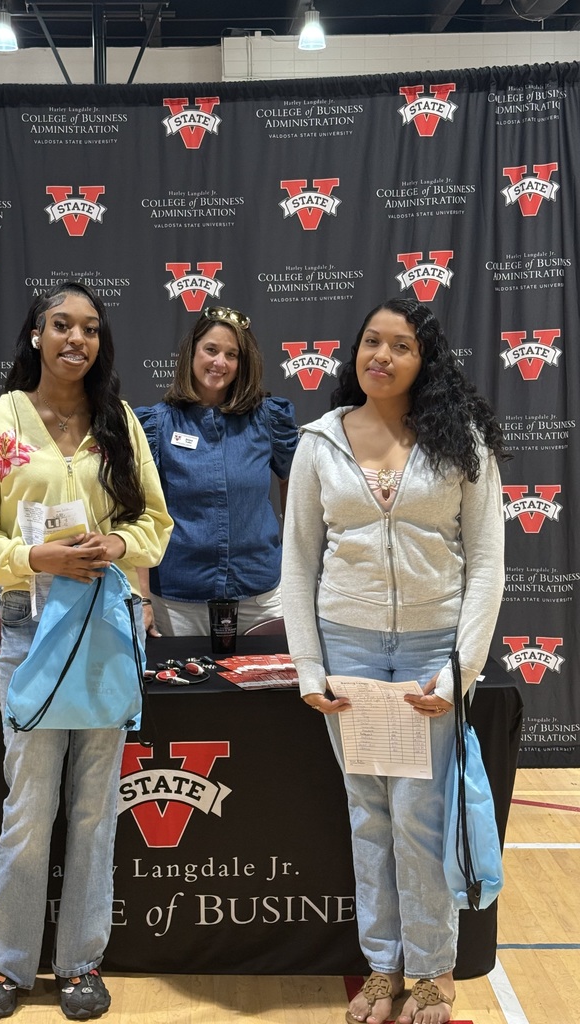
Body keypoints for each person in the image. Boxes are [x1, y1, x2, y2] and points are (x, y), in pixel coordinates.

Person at [0, 281, 172, 1021]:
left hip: (107, 627)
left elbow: (155, 525)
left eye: (91, 329)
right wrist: (35, 559)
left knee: (94, 809)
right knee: (30, 803)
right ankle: (4, 962)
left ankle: (80, 961)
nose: (76, 339)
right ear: (36, 334)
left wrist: (119, 543)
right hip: (29, 628)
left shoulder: (119, 422)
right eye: (61, 325)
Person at [281, 298, 507, 1024]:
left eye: (399, 346)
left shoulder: (460, 441)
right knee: (367, 814)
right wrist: (309, 668)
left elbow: (488, 564)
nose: (380, 356)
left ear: (424, 360)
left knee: (419, 816)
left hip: (424, 656)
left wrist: (459, 668)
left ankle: (434, 972)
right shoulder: (320, 442)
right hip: (346, 651)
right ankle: (381, 969)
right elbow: (298, 561)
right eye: (370, 342)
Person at [135, 305, 298, 636]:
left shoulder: (268, 418)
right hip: (179, 601)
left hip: (261, 597)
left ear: (242, 363)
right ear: (192, 352)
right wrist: (143, 599)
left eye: (231, 354)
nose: (219, 362)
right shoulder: (156, 424)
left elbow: (295, 485)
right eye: (211, 350)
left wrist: (294, 553)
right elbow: (139, 513)